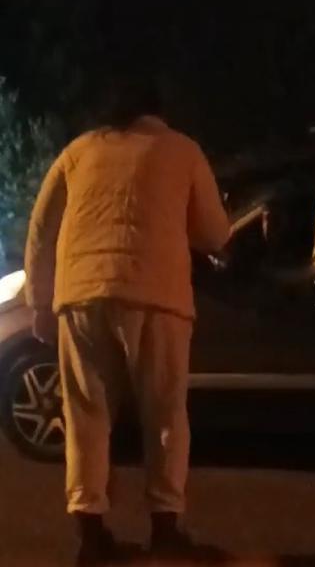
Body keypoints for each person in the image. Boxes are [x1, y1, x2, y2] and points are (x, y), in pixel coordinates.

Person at [24, 77, 230, 565]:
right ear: (159, 112)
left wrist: (39, 302)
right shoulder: (182, 150)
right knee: (165, 415)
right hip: (158, 297)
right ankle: (165, 527)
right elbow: (214, 234)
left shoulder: (78, 152)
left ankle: (91, 535)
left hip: (82, 296)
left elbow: (41, 229)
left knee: (87, 416)